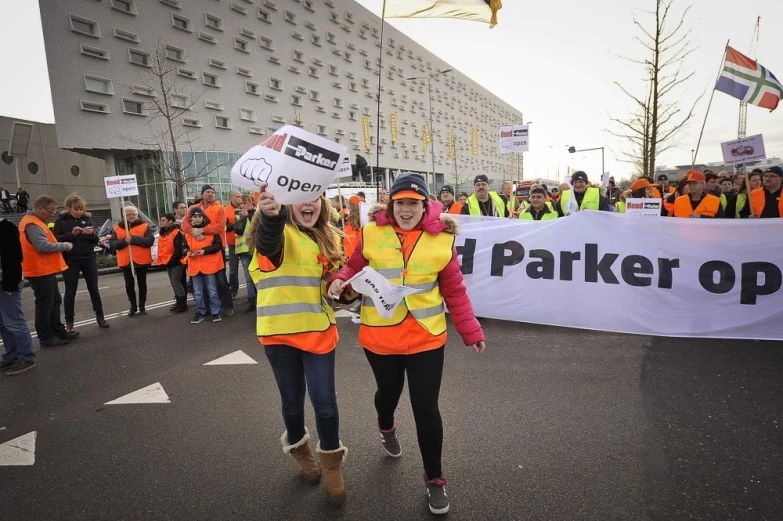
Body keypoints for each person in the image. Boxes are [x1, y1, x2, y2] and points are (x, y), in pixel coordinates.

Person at [328, 174, 485, 515]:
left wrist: (470, 331)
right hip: (380, 336)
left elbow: (454, 290)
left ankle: (435, 479)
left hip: (426, 336)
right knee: (388, 394)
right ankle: (385, 424)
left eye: (413, 202)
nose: (406, 209)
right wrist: (339, 281)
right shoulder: (372, 232)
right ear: (391, 204)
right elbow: (353, 268)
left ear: (425, 205)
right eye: (400, 202)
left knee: (426, 409)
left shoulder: (442, 240)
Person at [250, 185, 348, 504]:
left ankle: (331, 463)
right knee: (292, 402)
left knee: (325, 402)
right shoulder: (276, 232)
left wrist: (343, 289)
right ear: (288, 205)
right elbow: (268, 242)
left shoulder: (328, 238)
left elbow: (331, 283)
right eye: (301, 198)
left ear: (321, 203)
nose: (309, 203)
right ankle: (301, 451)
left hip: (318, 330)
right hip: (279, 333)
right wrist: (271, 216)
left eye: (315, 197)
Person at [19, 196, 77, 347]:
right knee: (45, 305)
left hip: (44, 270)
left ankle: (58, 331)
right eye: (51, 211)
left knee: (54, 301)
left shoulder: (36, 222)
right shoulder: (31, 223)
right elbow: (42, 246)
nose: (52, 214)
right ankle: (46, 337)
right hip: (39, 271)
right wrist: (64, 245)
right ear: (40, 208)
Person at [52, 193, 108, 331]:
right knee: (70, 291)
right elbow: (55, 239)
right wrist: (72, 235)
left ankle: (100, 316)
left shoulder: (87, 219)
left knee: (94, 289)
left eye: (81, 209)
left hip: (88, 258)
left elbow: (96, 241)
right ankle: (69, 322)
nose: (79, 212)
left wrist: (91, 234)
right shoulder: (62, 220)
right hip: (71, 259)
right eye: (76, 209)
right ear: (69, 209)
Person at [182, 185, 234, 316]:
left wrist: (202, 230)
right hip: (197, 250)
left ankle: (228, 306)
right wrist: (193, 231)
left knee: (221, 279)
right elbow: (185, 224)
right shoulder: (194, 209)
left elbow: (220, 227)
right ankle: (207, 308)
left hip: (216, 248)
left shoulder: (220, 208)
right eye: (207, 192)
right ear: (201, 195)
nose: (210, 194)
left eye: (212, 192)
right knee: (204, 282)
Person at [0, 216, 37, 375]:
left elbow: (13, 257)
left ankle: (26, 356)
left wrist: (11, 283)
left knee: (14, 321)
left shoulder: (6, 228)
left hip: (6, 282)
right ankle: (11, 355)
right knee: (2, 323)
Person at [110, 205, 155, 315]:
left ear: (137, 215)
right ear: (124, 216)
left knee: (142, 284)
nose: (131, 216)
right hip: (126, 261)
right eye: (128, 214)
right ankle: (133, 306)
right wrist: (124, 241)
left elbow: (149, 241)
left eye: (133, 214)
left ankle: (142, 306)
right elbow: (112, 244)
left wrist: (133, 239)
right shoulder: (117, 228)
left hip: (141, 260)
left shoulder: (144, 226)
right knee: (129, 285)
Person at [183, 207, 224, 323]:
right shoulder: (188, 233)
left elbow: (217, 246)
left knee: (212, 289)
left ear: (203, 217)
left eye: (199, 216)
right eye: (195, 217)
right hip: (194, 266)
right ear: (191, 219)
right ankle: (200, 311)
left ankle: (215, 312)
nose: (197, 219)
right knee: (198, 292)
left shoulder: (210, 231)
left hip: (208, 265)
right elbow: (183, 246)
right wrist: (186, 251)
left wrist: (204, 251)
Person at [155, 213, 187, 313]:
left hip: (176, 262)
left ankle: (182, 304)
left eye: (163, 220)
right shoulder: (163, 232)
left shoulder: (177, 232)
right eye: (161, 220)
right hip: (168, 261)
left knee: (176, 282)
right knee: (174, 283)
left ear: (170, 221)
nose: (161, 222)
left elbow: (178, 249)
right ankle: (179, 302)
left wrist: (171, 260)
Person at [233, 194, 257, 312]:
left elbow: (258, 229)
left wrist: (249, 216)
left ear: (251, 203)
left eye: (245, 203)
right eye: (241, 204)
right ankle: (251, 299)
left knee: (259, 276)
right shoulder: (238, 215)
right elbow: (238, 230)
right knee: (248, 277)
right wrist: (243, 217)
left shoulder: (257, 214)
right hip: (244, 251)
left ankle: (260, 298)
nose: (243, 205)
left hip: (256, 249)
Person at [225, 190, 243, 300]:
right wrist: (231, 226)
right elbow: (222, 227)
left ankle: (252, 291)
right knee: (233, 269)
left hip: (245, 243)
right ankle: (233, 291)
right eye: (237, 196)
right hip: (232, 243)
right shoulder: (225, 210)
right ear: (232, 198)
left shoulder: (245, 208)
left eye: (241, 196)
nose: (240, 198)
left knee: (249, 269)